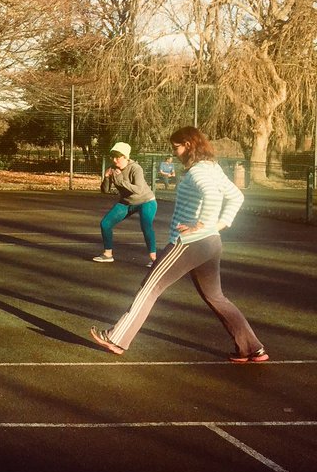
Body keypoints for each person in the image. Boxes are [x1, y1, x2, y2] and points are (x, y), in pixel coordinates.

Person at [90, 126, 267, 362]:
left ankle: (117, 338)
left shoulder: (197, 172)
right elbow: (237, 196)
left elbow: (214, 196)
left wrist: (203, 223)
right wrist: (218, 226)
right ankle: (251, 347)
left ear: (189, 145)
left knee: (149, 287)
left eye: (177, 148)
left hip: (188, 243)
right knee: (216, 297)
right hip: (211, 243)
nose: (175, 153)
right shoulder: (212, 167)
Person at [94, 141, 157, 267]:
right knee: (105, 223)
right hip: (127, 202)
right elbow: (105, 191)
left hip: (146, 201)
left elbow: (138, 189)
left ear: (126, 157)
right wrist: (106, 177)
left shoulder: (135, 168)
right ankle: (107, 254)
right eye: (113, 156)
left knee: (146, 225)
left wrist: (121, 181)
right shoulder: (113, 169)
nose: (115, 160)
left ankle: (154, 259)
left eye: (118, 157)